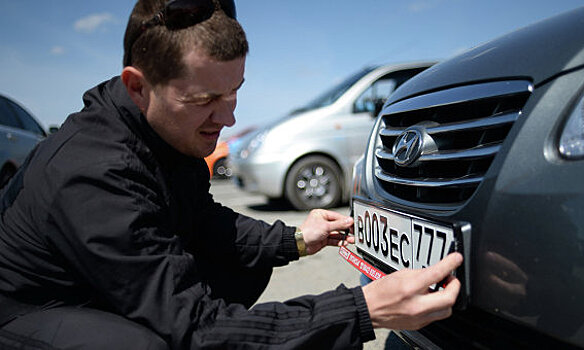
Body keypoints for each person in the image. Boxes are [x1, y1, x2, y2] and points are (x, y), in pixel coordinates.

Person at [0, 0, 463, 348]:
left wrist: (298, 239)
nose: (227, 119)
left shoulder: (163, 129)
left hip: (104, 278)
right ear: (137, 86)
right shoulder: (94, 173)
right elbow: (196, 328)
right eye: (203, 101)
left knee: (248, 261)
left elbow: (205, 221)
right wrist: (366, 309)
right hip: (29, 309)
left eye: (234, 93)